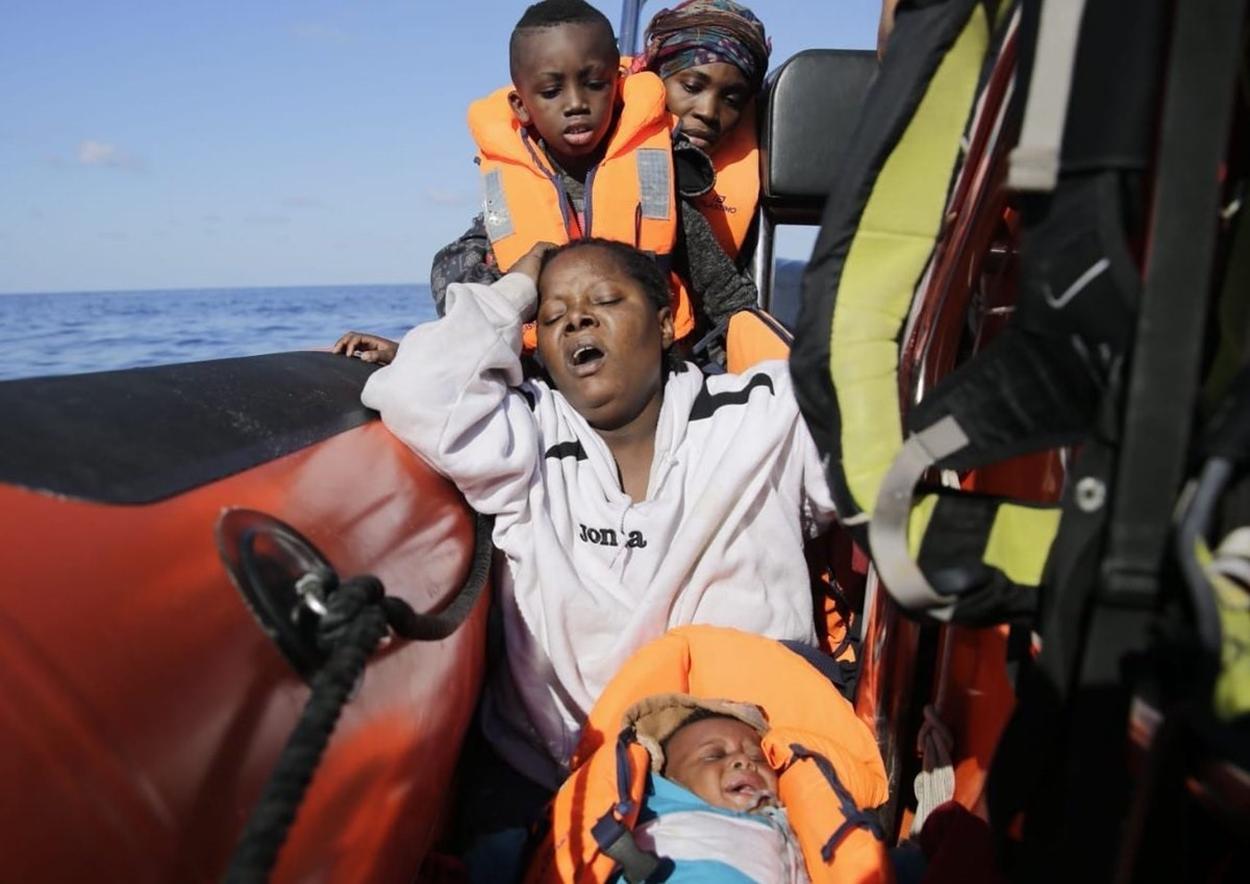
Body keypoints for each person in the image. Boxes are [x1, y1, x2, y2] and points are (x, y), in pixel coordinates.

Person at [359, 237, 836, 793]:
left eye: (605, 301)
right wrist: (515, 289)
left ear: (663, 325)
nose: (577, 318)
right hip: (564, 782)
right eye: (554, 314)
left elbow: (874, 433)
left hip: (753, 765)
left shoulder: (766, 411)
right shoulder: (525, 433)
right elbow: (420, 390)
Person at [427, 0, 759, 354]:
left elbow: (728, 298)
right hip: (544, 382)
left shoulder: (656, 186)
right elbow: (460, 294)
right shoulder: (504, 203)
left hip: (652, 377)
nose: (576, 103)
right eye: (552, 91)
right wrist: (418, 353)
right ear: (522, 107)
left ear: (617, 88)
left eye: (595, 85)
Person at [631, 0, 771, 263]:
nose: (708, 112)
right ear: (653, 77)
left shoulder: (765, 171)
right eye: (692, 87)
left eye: (731, 100)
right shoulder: (587, 146)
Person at [626, 694, 810, 884]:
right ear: (669, 780)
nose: (743, 761)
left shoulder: (798, 826)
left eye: (757, 757)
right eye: (714, 756)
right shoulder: (645, 824)